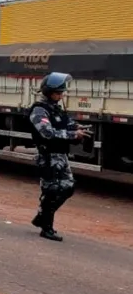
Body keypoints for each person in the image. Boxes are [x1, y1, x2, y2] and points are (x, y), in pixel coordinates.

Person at [28, 72, 88, 242]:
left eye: (62, 93)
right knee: (51, 190)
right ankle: (46, 227)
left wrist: (78, 127)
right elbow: (47, 132)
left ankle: (41, 217)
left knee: (68, 187)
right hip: (48, 155)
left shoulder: (57, 109)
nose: (61, 96)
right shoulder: (39, 109)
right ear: (48, 92)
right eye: (58, 93)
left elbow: (66, 123)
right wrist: (71, 134)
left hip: (61, 155)